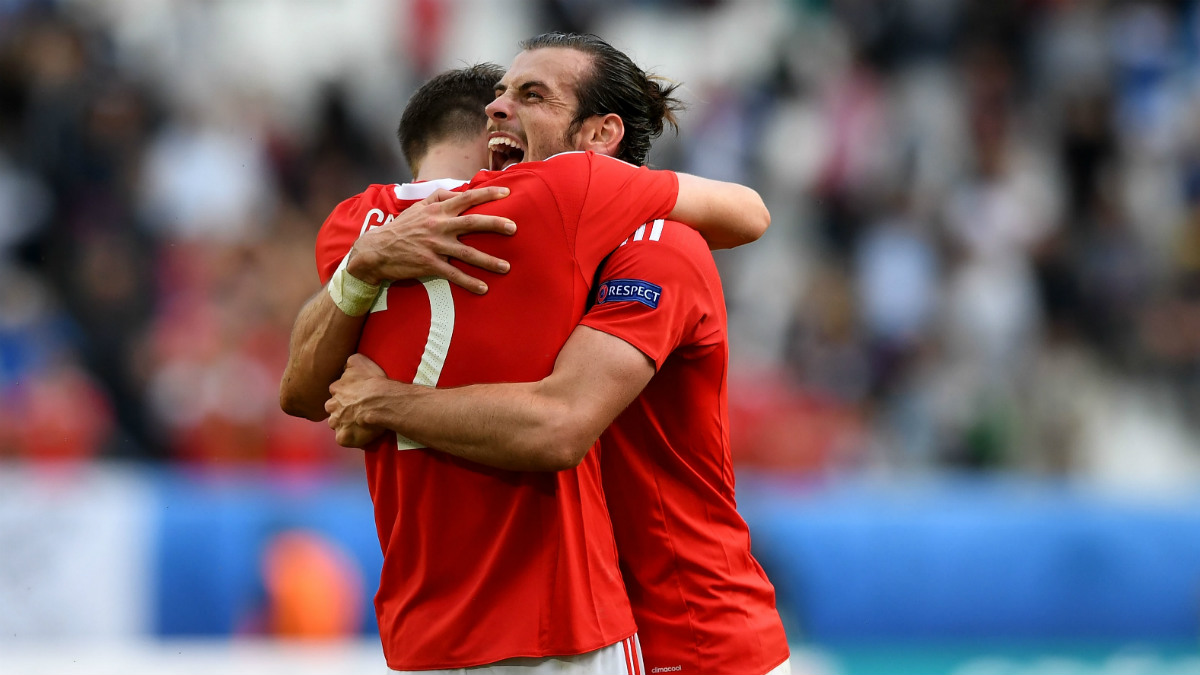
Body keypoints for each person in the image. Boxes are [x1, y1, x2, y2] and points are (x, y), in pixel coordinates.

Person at [280, 43, 769, 674]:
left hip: (691, 634)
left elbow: (557, 424)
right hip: (524, 625)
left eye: (530, 97)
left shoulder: (657, 247)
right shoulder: (399, 239)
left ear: (600, 135)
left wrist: (384, 401)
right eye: (501, 95)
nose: (497, 113)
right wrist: (365, 263)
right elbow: (301, 395)